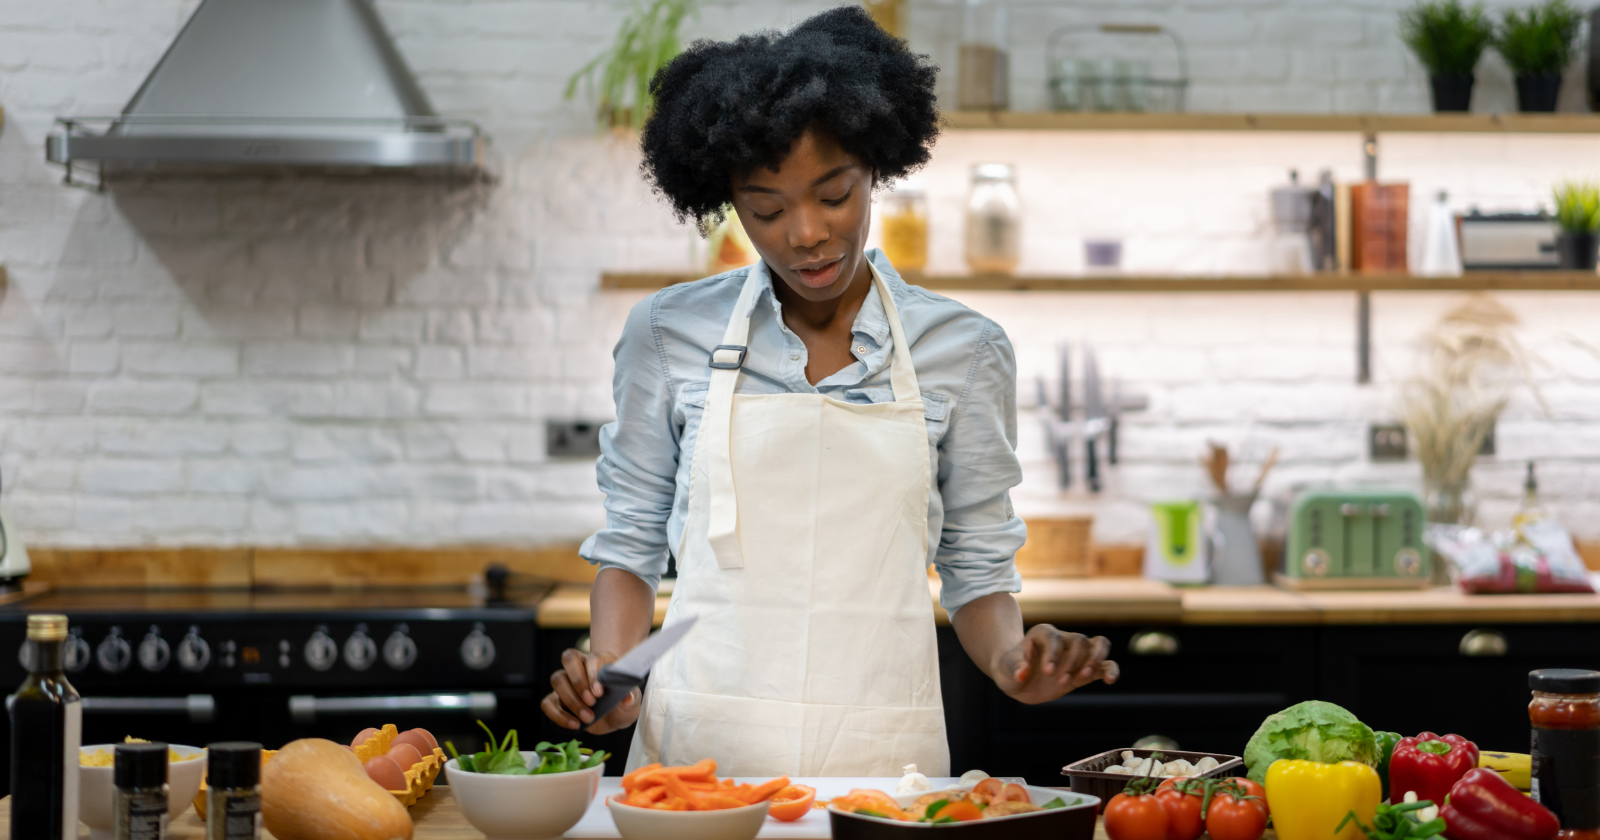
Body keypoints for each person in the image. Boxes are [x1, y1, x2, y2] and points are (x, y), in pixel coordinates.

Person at [542, 6, 1117, 777]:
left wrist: (1014, 660)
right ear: (730, 202)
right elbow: (634, 542)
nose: (805, 232)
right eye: (767, 210)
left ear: (876, 167)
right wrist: (614, 672)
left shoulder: (965, 350)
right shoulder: (666, 333)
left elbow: (977, 569)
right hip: (697, 766)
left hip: (881, 763)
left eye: (834, 194)